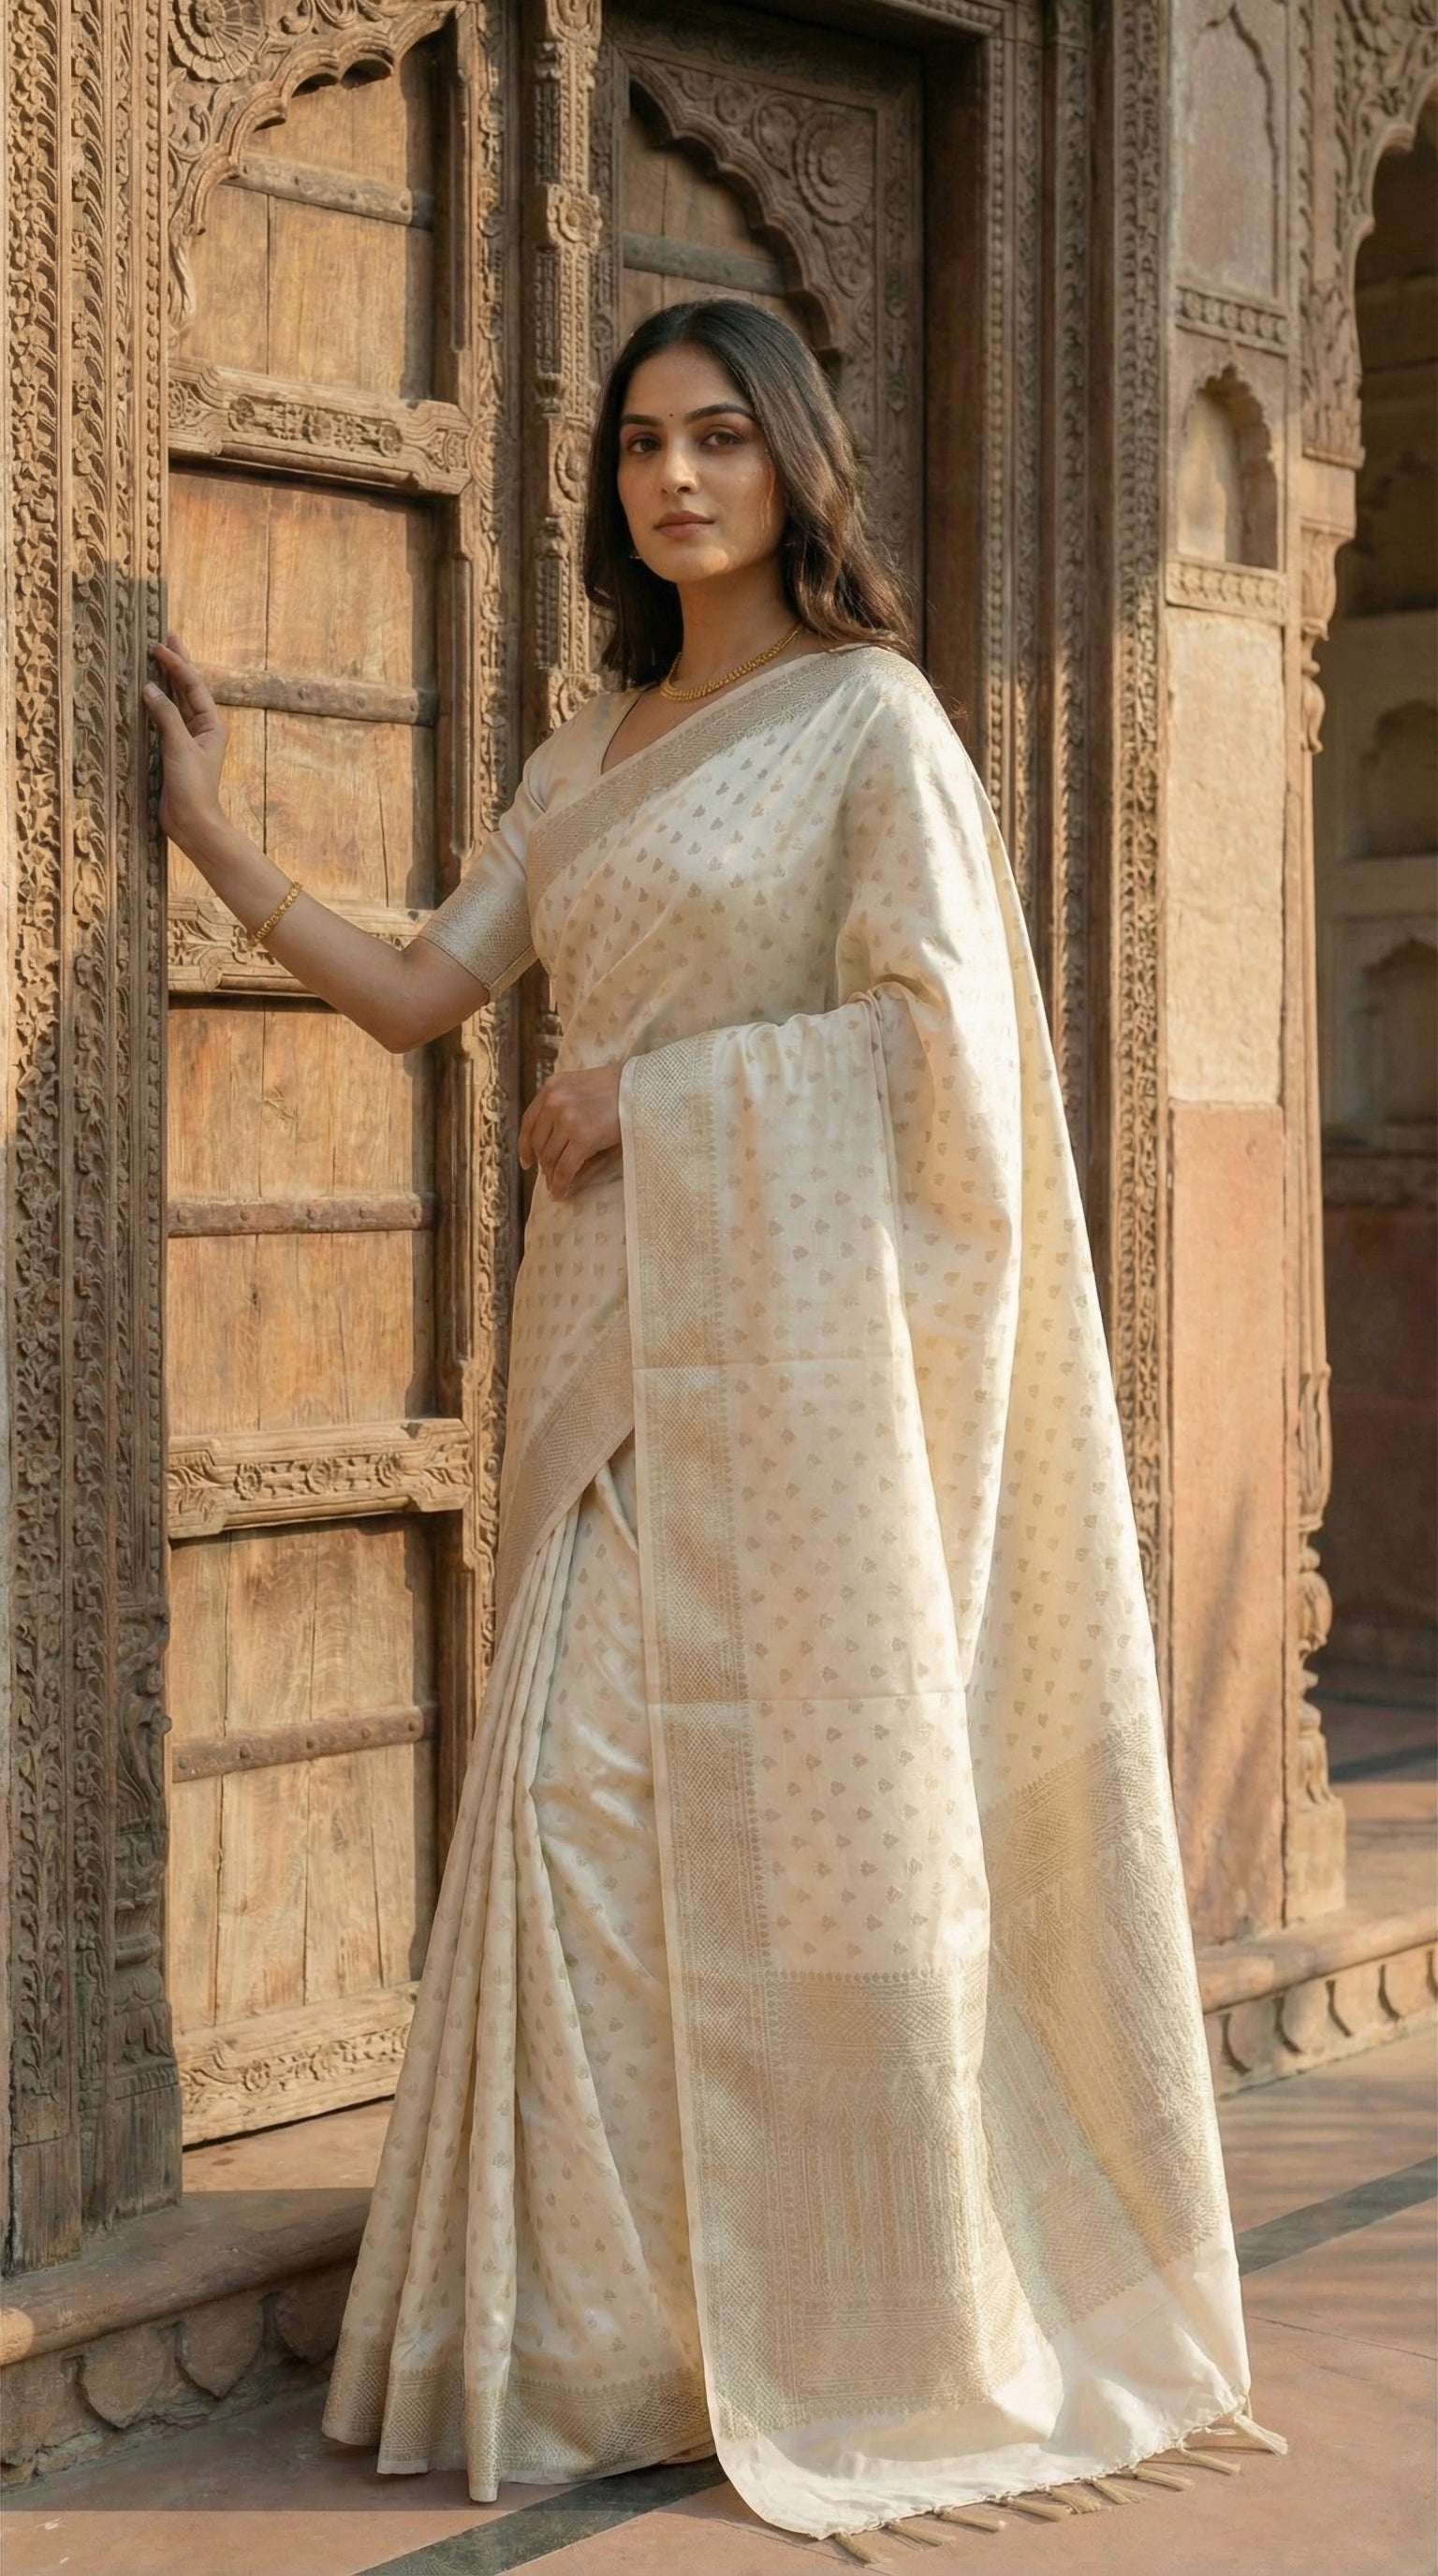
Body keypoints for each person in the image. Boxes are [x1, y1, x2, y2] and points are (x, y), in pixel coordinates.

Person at [146, 299, 1274, 2547]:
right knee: (579, 1824)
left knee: (794, 1860)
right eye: (647, 444)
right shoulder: (585, 755)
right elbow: (424, 993)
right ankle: (609, 2350)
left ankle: (833, 2325)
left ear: (797, 467)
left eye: (724, 439)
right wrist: (211, 834)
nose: (680, 478)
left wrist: (658, 1092)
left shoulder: (875, 725)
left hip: (809, 1394)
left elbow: (947, 1070)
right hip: (607, 1387)